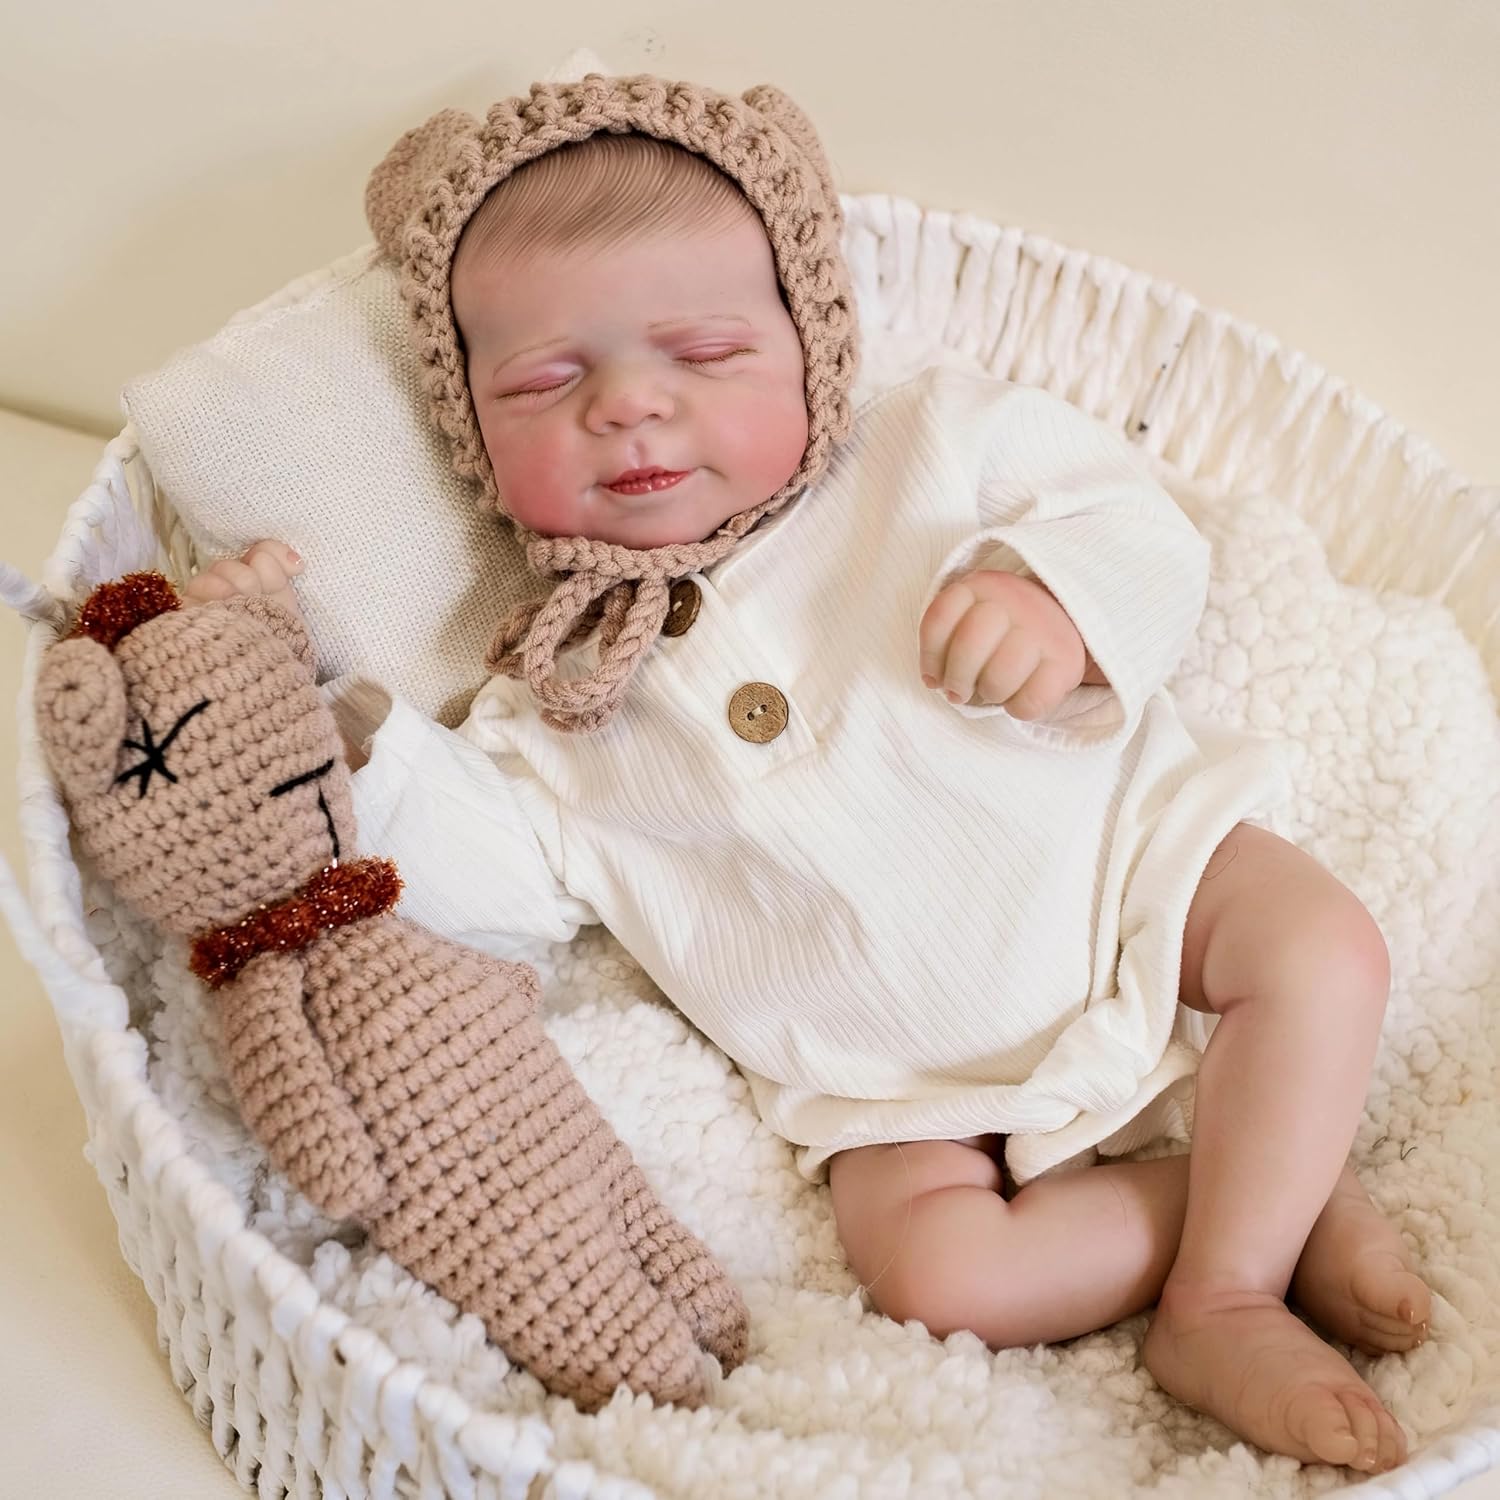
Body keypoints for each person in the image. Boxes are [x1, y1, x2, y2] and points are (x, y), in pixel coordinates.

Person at [184, 75, 1429, 1472]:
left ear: (808, 343)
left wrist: (1055, 600)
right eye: (544, 382)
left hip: (1134, 872)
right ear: (472, 433)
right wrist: (319, 716)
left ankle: (1225, 1297)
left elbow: (1138, 528)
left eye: (706, 352)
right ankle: (1259, 1194)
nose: (629, 407)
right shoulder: (550, 701)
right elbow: (485, 886)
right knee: (941, 1279)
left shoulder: (926, 450)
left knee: (1320, 949)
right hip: (897, 1081)